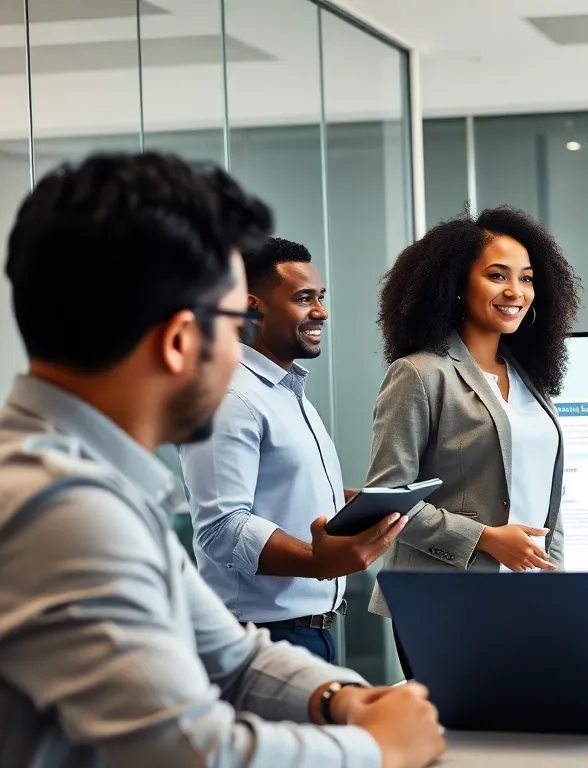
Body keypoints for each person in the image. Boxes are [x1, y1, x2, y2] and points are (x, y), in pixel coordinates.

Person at [0, 152, 445, 767]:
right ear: (181, 341)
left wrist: (341, 699)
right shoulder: (60, 512)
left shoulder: (95, 486)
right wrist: (375, 749)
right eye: (234, 318)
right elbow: (193, 753)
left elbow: (230, 653)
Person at [366, 205, 581, 679]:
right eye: (497, 275)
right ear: (457, 285)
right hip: (442, 600)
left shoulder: (530, 382)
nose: (515, 292)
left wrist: (554, 578)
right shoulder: (420, 374)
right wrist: (486, 539)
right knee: (466, 747)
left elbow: (546, 499)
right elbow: (388, 501)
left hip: (527, 597)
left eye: (526, 278)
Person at [178, 237, 404, 663]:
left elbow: (284, 497)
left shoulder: (285, 390)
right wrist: (316, 561)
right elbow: (221, 528)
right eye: (304, 298)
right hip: (261, 639)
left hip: (310, 632)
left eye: (320, 297)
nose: (320, 311)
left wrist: (354, 505)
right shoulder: (229, 397)